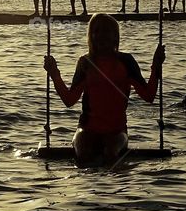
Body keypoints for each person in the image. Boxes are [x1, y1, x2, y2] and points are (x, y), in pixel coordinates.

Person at [44, 13, 166, 163]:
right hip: (87, 129)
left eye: (107, 31)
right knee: (83, 154)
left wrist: (156, 66)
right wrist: (54, 74)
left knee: (110, 153)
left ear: (115, 36)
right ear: (91, 36)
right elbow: (69, 100)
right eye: (97, 31)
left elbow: (149, 95)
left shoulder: (126, 61)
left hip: (117, 131)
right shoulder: (85, 63)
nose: (102, 36)